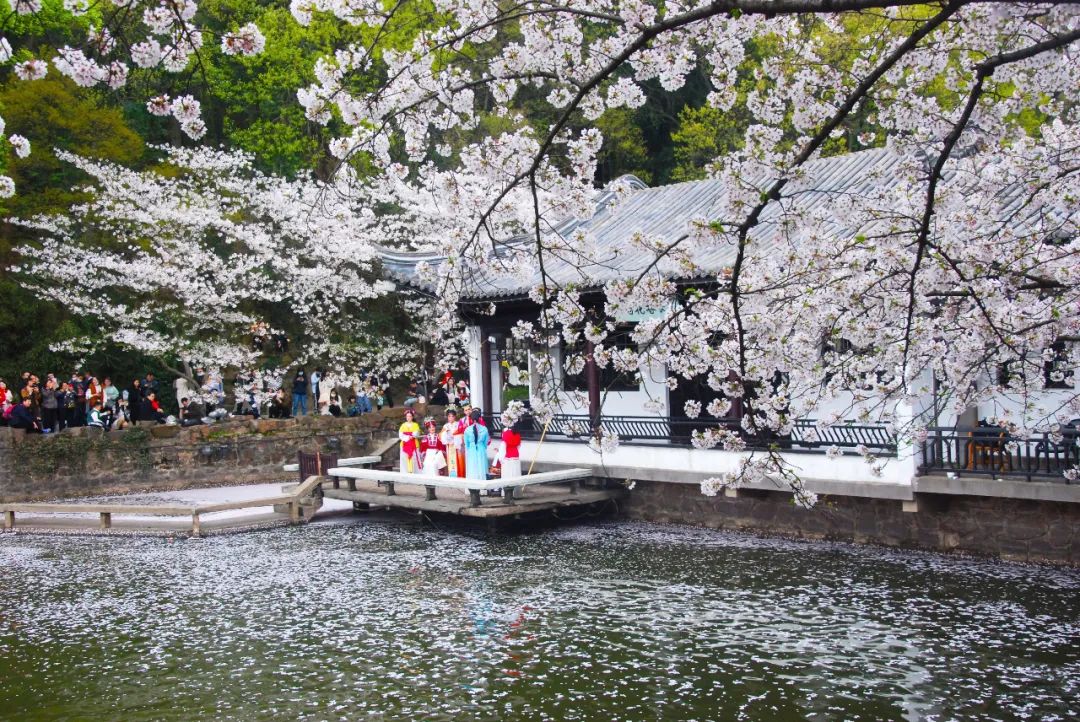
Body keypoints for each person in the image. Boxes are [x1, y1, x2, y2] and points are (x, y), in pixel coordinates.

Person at [463, 407, 490, 480]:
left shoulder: (467, 430)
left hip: (472, 449)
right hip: (481, 448)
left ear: (471, 419)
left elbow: (466, 443)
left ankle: (473, 482)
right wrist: (482, 447)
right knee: (481, 465)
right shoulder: (484, 429)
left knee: (472, 467)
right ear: (479, 418)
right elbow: (486, 442)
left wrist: (470, 447)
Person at [441, 409, 466, 478]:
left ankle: (460, 475)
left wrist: (455, 438)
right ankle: (452, 475)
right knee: (451, 460)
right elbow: (441, 435)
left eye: (452, 416)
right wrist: (445, 434)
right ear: (447, 417)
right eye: (449, 416)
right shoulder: (446, 426)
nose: (451, 418)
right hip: (449, 445)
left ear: (455, 417)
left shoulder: (458, 424)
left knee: (459, 460)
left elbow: (462, 434)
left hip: (457, 445)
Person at [398, 408, 422, 473]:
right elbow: (400, 434)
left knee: (414, 459)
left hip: (414, 444)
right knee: (404, 458)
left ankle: (415, 472)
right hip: (404, 444)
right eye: (407, 416)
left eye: (410, 416)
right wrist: (408, 436)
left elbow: (416, 433)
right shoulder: (403, 425)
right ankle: (405, 472)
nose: (408, 418)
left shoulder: (415, 425)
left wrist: (409, 435)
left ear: (412, 417)